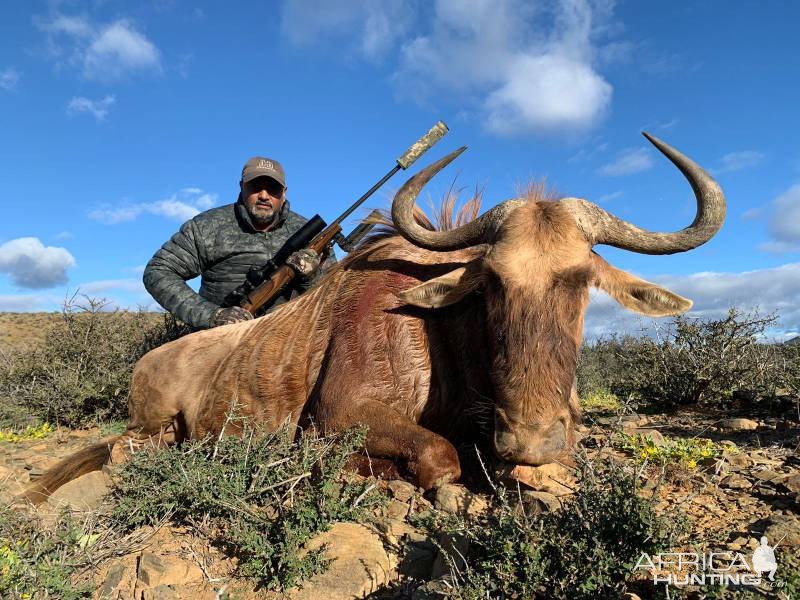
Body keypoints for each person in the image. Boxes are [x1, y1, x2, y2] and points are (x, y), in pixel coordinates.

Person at [143, 156, 334, 329]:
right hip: (222, 339)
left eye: (273, 189)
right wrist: (213, 315)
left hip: (291, 340)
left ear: (284, 193)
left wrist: (312, 277)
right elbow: (159, 271)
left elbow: (334, 292)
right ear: (241, 186)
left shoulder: (311, 233)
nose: (264, 196)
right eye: (256, 186)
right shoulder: (207, 226)